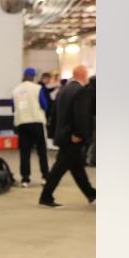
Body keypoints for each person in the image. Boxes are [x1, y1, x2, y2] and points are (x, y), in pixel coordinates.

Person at [38, 64, 96, 208]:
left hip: (63, 135)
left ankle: (91, 194)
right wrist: (79, 134)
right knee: (59, 168)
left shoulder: (63, 90)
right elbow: (81, 115)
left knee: (76, 167)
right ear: (83, 75)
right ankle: (45, 196)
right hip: (73, 137)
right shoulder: (80, 91)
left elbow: (54, 113)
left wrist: (53, 134)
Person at [12, 67, 50, 187]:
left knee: (24, 153)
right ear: (34, 76)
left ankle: (25, 179)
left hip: (22, 124)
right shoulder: (38, 88)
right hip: (37, 123)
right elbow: (45, 105)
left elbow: (13, 108)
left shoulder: (15, 91)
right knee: (42, 152)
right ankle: (45, 177)